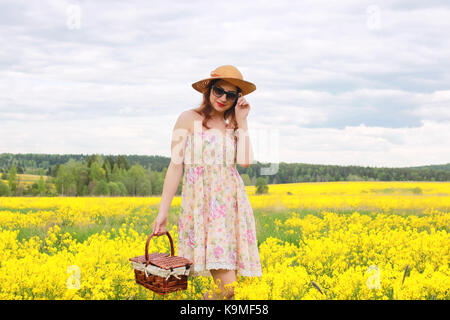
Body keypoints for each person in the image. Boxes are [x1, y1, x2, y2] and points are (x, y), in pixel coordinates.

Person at [152, 65, 262, 300]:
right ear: (209, 90)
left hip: (230, 210)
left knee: (230, 290)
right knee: (229, 288)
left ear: (237, 99)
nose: (223, 98)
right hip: (201, 209)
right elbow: (175, 166)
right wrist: (163, 212)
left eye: (231, 95)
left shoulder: (233, 125)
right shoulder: (188, 118)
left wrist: (243, 121)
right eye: (219, 91)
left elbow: (244, 162)